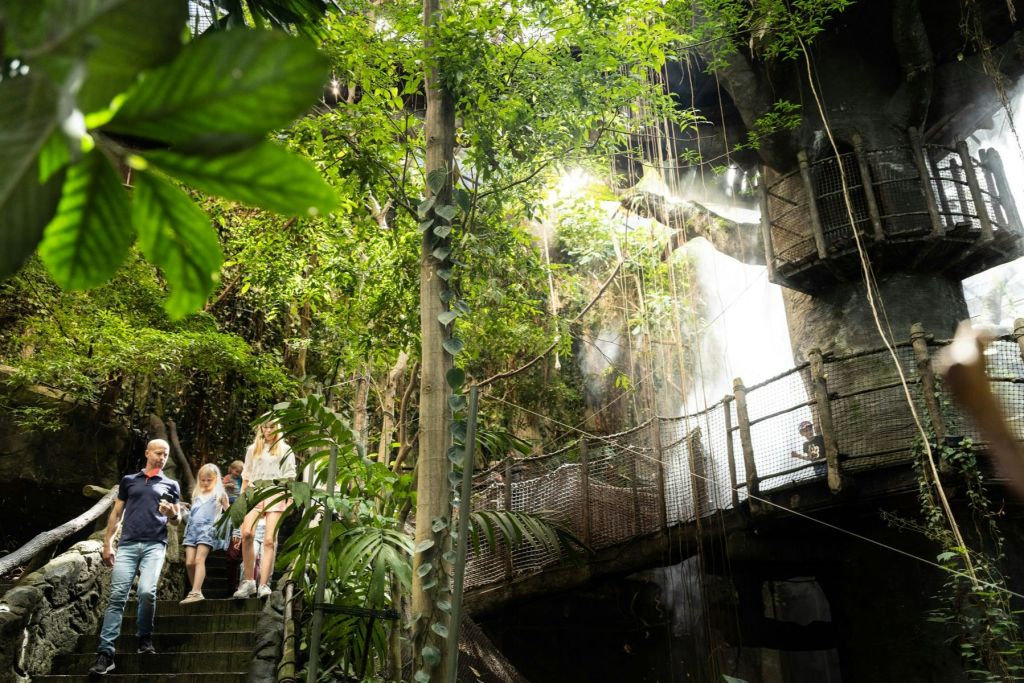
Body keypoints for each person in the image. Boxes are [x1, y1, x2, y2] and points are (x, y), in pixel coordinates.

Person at [89, 439, 181, 676]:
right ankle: (105, 653)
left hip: (155, 545)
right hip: (128, 545)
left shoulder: (171, 484)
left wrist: (172, 513)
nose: (162, 457)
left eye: (166, 454)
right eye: (159, 453)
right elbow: (117, 512)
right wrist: (108, 542)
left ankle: (144, 638)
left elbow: (177, 518)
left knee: (147, 592)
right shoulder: (129, 481)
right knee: (117, 596)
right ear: (147, 453)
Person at [233, 420, 296, 600]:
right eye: (265, 427)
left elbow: (290, 476)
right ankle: (248, 582)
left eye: (271, 427)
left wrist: (289, 500)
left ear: (277, 428)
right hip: (254, 492)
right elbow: (246, 475)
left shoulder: (285, 449)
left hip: (275, 493)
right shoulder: (253, 449)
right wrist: (241, 500)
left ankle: (264, 584)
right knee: (246, 534)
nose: (268, 430)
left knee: (269, 540)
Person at [180, 464, 230, 605]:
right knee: (189, 562)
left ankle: (195, 592)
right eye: (203, 480)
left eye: (209, 480)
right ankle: (197, 591)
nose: (205, 483)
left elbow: (230, 514)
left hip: (208, 530)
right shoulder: (197, 495)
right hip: (192, 530)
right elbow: (191, 517)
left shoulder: (220, 495)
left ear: (216, 479)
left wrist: (233, 532)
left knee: (198, 560)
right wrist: (183, 511)